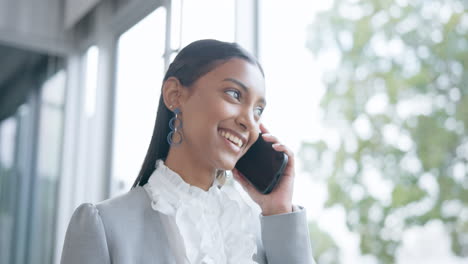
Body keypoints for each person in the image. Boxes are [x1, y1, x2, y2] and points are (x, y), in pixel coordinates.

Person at [60, 39, 315, 264]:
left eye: (258, 111)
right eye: (234, 94)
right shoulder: (104, 226)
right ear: (175, 94)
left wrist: (279, 210)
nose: (250, 122)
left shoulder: (253, 236)